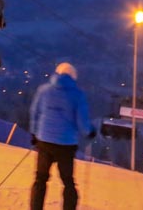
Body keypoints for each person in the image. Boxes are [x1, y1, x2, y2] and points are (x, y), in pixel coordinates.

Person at [29, 62, 96, 210]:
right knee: (68, 182)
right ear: (73, 76)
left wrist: (34, 133)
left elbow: (35, 113)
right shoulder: (78, 95)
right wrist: (90, 132)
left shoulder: (44, 91)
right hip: (66, 144)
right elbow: (82, 121)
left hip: (44, 141)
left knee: (40, 179)